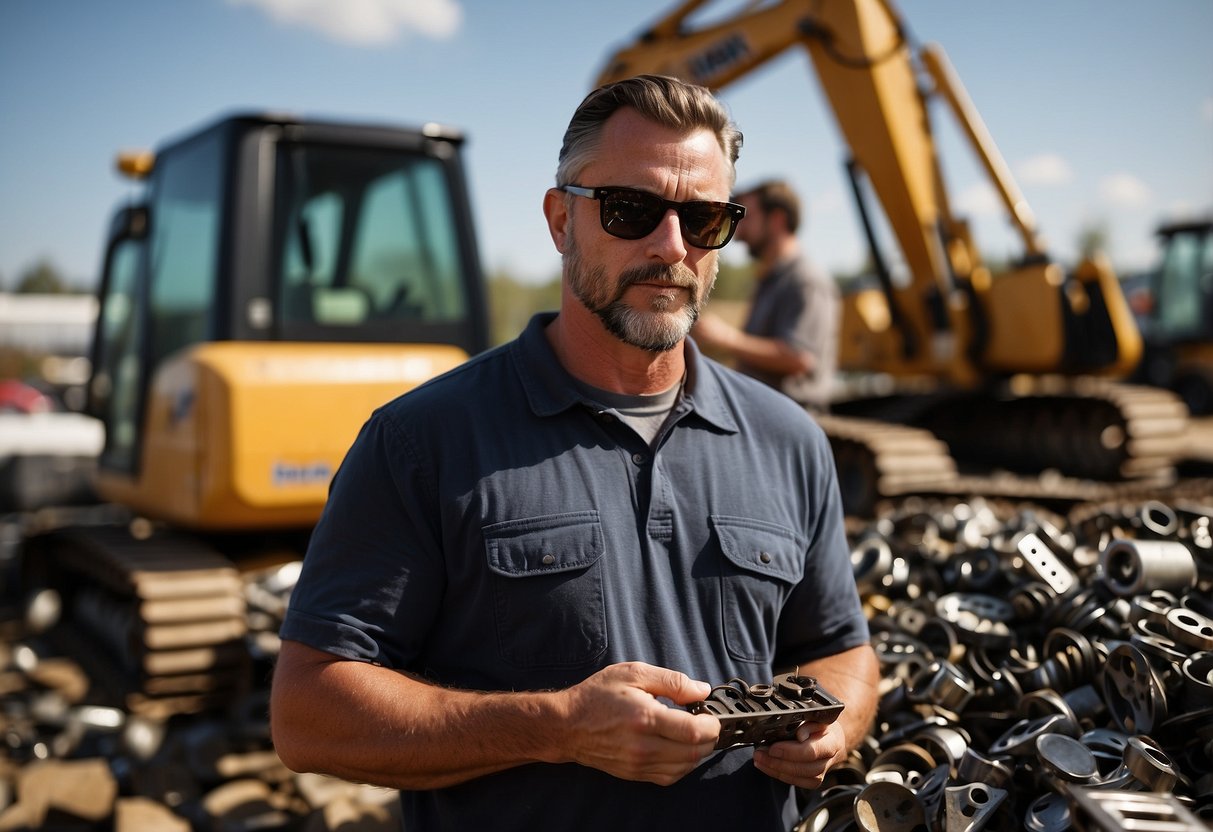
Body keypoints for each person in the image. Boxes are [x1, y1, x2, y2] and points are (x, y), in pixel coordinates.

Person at [270, 74, 879, 831]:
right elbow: (308, 714)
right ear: (561, 220)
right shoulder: (422, 442)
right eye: (631, 211)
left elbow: (839, 651)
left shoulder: (788, 442)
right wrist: (557, 729)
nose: (670, 247)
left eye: (703, 220)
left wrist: (834, 725)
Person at [692, 180, 839, 411]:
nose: (739, 234)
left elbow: (799, 358)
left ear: (777, 219)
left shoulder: (805, 280)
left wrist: (724, 337)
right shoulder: (770, 279)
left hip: (793, 418)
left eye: (748, 219)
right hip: (766, 411)